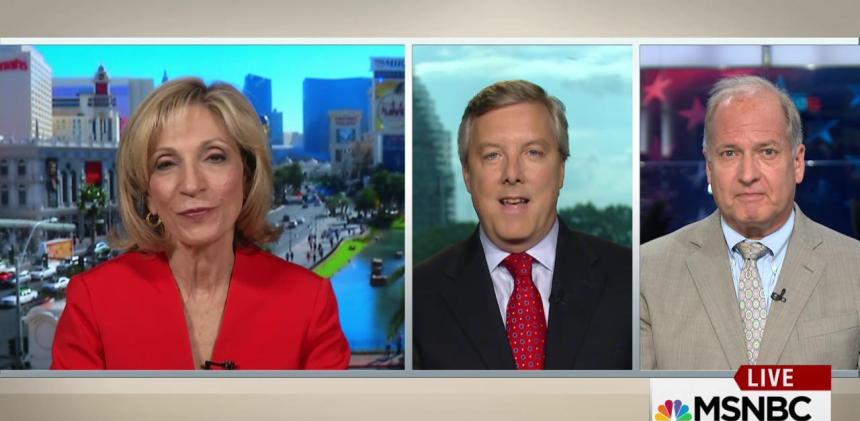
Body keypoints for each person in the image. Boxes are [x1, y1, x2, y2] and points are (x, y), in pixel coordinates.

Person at [52, 78, 350, 370]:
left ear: (246, 177)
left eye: (214, 157)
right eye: (166, 164)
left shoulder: (309, 302)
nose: (192, 185)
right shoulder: (94, 301)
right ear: (148, 195)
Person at [640, 75, 860, 370]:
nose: (748, 175)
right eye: (729, 153)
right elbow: (636, 398)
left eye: (767, 152)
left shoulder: (854, 268)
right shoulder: (646, 271)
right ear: (709, 167)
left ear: (797, 162)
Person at [413, 80, 632, 370]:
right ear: (467, 174)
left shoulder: (631, 279)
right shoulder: (419, 295)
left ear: (561, 169)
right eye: (492, 155)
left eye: (533, 152)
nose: (512, 174)